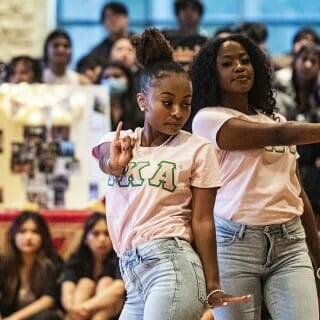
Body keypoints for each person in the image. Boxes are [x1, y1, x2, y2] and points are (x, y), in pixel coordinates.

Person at [92, 28, 251, 320]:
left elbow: (203, 220)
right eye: (167, 102)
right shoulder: (119, 141)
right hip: (132, 274)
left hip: (172, 264)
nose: (178, 112)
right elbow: (106, 160)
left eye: (186, 104)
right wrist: (115, 164)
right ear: (143, 101)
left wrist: (213, 285)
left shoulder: (198, 149)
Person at [190, 33, 320, 320]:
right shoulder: (208, 119)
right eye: (228, 63)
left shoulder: (276, 119)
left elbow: (297, 190)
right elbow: (278, 136)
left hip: (289, 241)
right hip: (234, 245)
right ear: (212, 72)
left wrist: (316, 247)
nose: (239, 67)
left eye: (245, 61)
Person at [274, 43, 320, 215]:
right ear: (295, 61)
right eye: (304, 59)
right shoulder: (279, 90)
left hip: (311, 157)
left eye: (314, 61)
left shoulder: (318, 94)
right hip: (286, 152)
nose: (308, 65)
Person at [60, 212, 125, 320]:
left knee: (106, 282)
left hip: (113, 310)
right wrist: (72, 307)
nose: (102, 239)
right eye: (96, 234)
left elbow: (119, 289)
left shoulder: (120, 257)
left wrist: (84, 307)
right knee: (85, 284)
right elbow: (67, 288)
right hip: (80, 312)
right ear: (86, 238)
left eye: (106, 234)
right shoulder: (78, 257)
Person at [0, 210, 64, 320]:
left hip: (39, 316)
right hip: (9, 313)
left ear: (43, 236)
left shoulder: (53, 262)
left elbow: (48, 300)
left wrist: (13, 319)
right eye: (22, 231)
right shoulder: (4, 262)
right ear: (14, 235)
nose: (28, 237)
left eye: (35, 232)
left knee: (47, 317)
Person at [100, 61, 143, 130]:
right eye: (106, 77)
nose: (111, 80)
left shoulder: (139, 110)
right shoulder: (95, 109)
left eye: (116, 76)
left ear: (128, 80)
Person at [86, 2, 132, 67]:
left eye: (117, 16)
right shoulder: (97, 52)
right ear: (103, 22)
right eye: (109, 17)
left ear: (127, 19)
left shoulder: (140, 43)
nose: (113, 20)